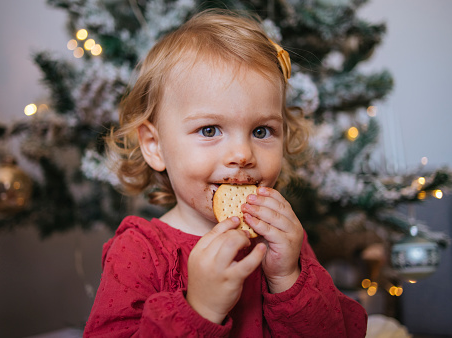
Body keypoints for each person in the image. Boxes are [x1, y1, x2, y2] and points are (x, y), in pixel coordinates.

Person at [84, 9, 367, 337]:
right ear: (155, 145)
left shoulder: (283, 240)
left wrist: (289, 279)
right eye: (209, 130)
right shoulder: (138, 252)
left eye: (261, 131)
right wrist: (198, 308)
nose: (242, 155)